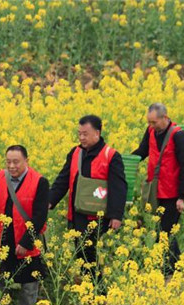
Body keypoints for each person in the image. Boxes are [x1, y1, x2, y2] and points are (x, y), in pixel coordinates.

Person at [49, 115, 127, 286]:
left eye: (85, 134)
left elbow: (118, 188)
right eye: (79, 134)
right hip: (77, 212)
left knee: (88, 252)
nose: (81, 137)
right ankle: (91, 289)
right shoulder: (75, 153)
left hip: (97, 215)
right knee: (82, 252)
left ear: (97, 133)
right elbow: (63, 180)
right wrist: (50, 200)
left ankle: (98, 289)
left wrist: (116, 215)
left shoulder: (111, 156)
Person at [0, 145, 49, 305]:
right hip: (3, 238)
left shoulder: (40, 182)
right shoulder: (0, 176)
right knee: (0, 280)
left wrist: (27, 242)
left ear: (26, 161)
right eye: (8, 162)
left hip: (25, 239)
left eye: (16, 162)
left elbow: (40, 217)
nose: (11, 166)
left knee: (29, 281)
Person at [132, 102, 184, 275]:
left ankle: (169, 270)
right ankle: (178, 267)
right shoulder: (151, 131)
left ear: (165, 117)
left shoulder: (178, 135)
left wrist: (182, 196)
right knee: (163, 231)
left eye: (154, 122)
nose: (151, 125)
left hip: (172, 193)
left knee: (165, 232)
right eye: (149, 122)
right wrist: (125, 161)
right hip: (155, 191)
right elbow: (143, 151)